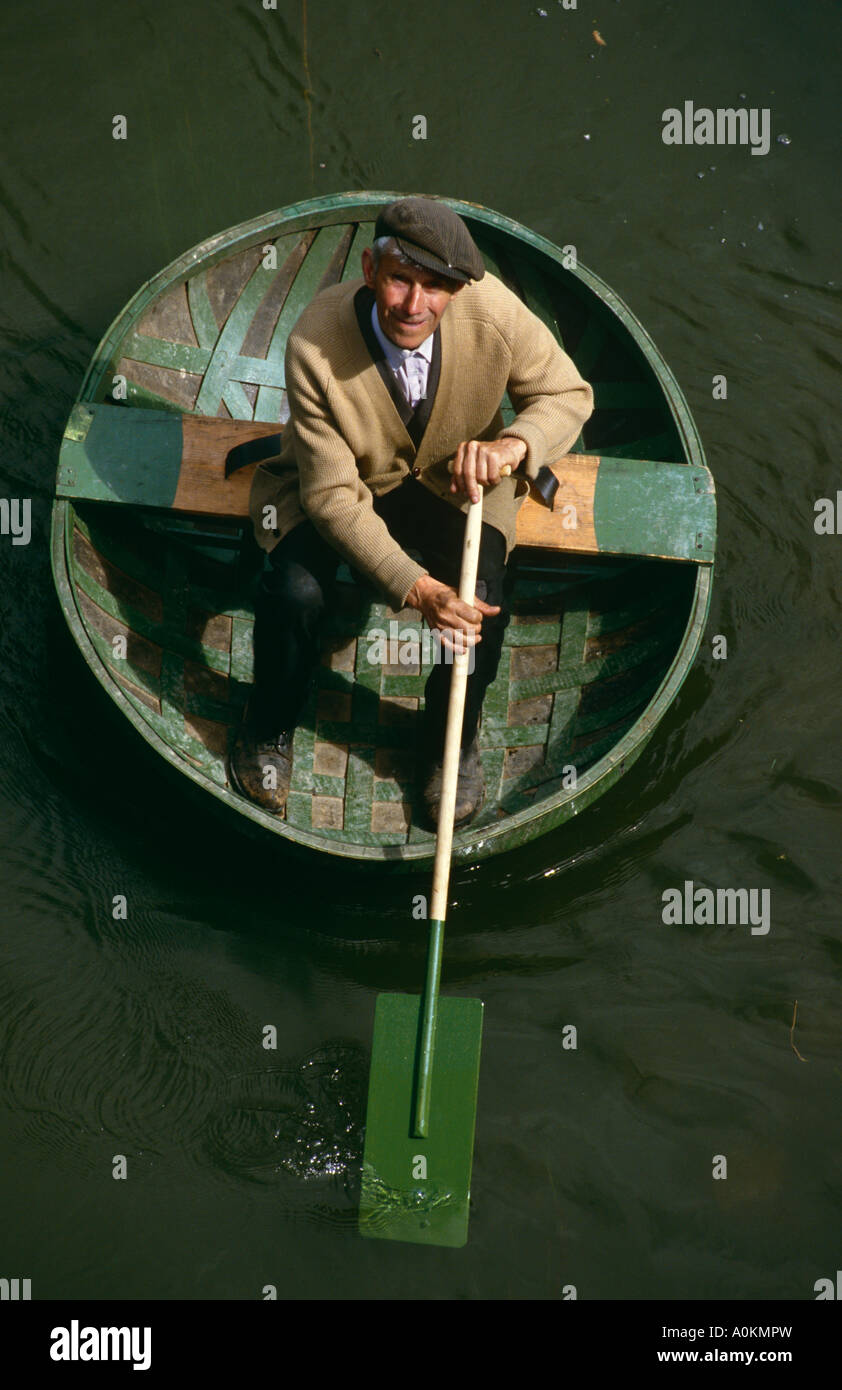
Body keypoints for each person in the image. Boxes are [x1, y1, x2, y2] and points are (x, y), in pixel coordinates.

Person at [230, 197, 593, 827]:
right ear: (371, 269)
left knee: (480, 606)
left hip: (457, 490)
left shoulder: (494, 311)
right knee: (293, 594)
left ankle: (447, 742)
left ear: (457, 289)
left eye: (435, 288)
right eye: (400, 280)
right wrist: (420, 591)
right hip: (344, 482)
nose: (413, 305)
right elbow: (331, 498)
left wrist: (514, 446)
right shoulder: (315, 342)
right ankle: (267, 730)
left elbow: (567, 392)